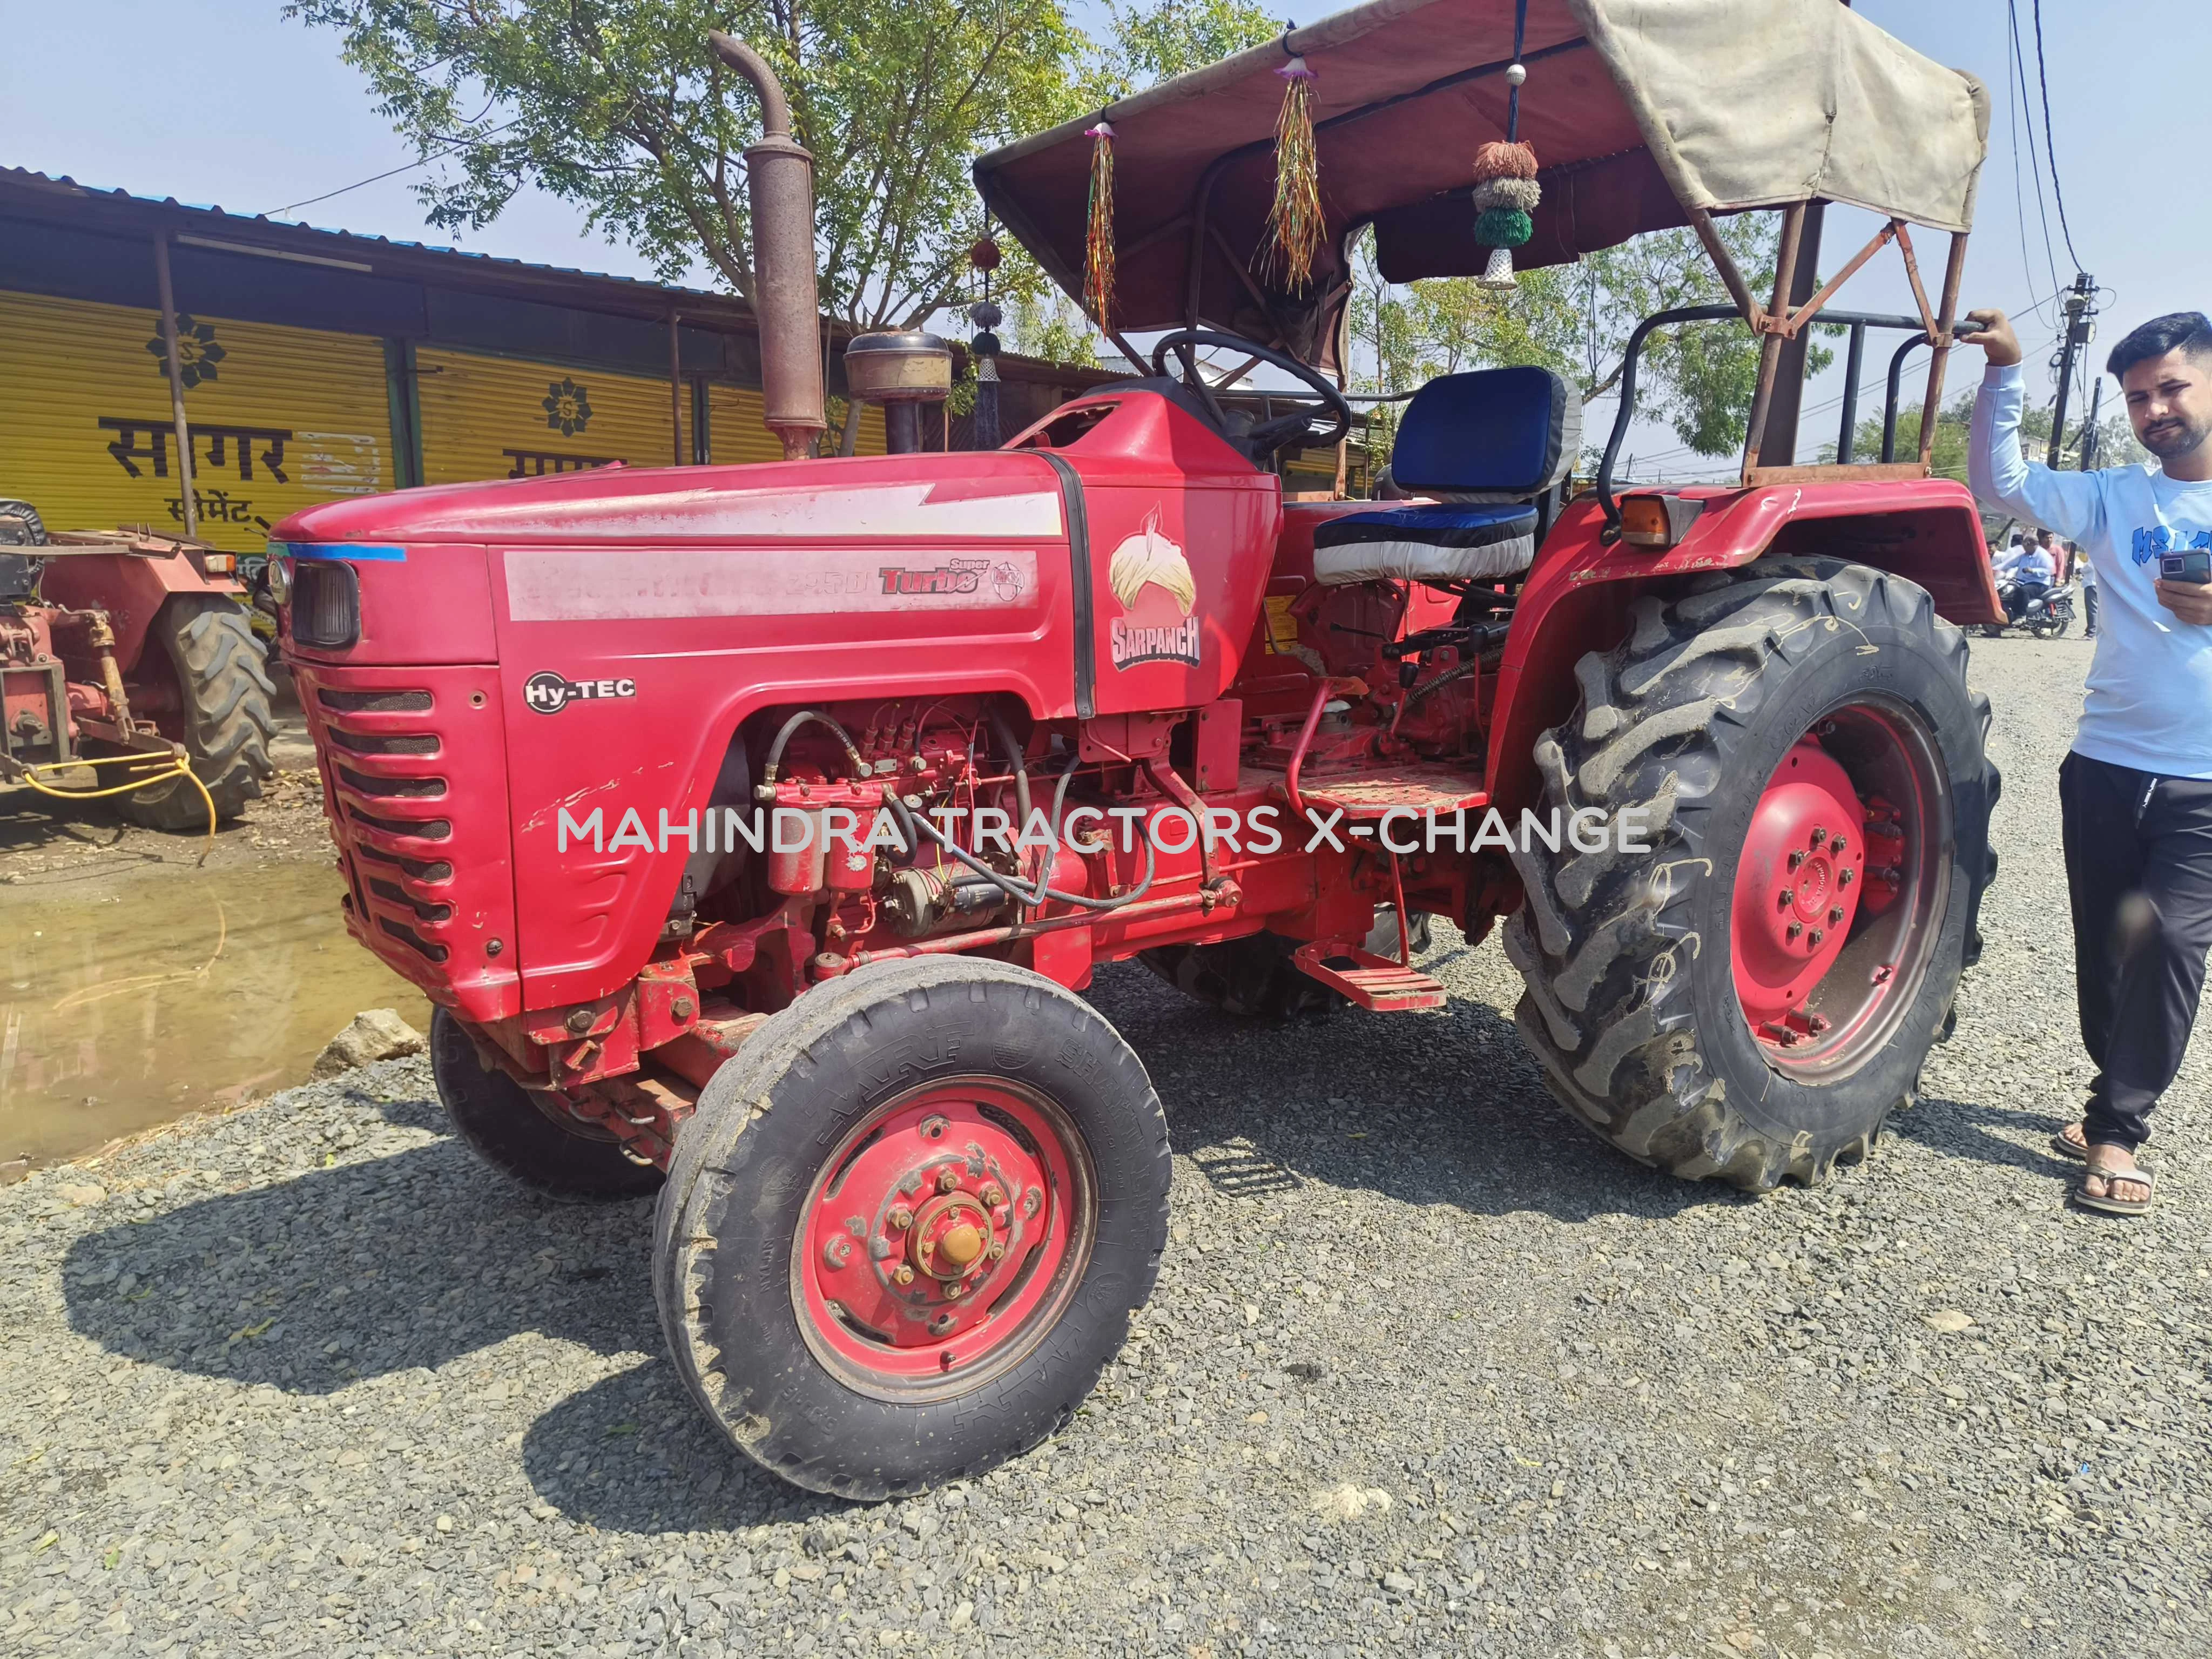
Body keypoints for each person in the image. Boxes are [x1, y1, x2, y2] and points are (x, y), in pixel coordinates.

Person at [1963, 307, 2212, 1216]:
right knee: (2107, 947)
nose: (2156, 410)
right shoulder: (2115, 498)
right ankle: (2115, 1085)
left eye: (2173, 388)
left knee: (2172, 940)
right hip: (2104, 764)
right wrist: (2005, 371)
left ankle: (2119, 1129)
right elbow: (2001, 483)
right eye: (2139, 398)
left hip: (2205, 781)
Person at [2078, 543, 2099, 637]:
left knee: (2092, 609)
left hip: (2091, 584)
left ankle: (2091, 631)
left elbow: (2090, 567)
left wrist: (2080, 570)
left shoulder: (2095, 553)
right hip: (2095, 584)